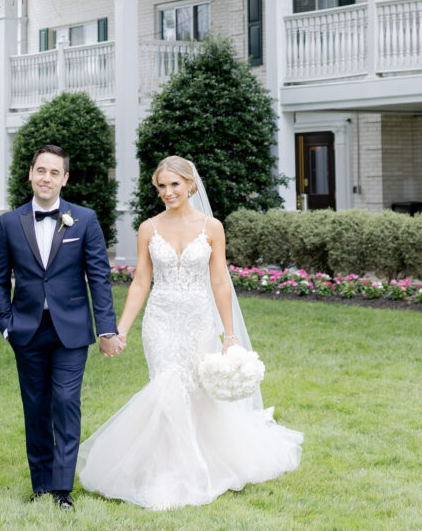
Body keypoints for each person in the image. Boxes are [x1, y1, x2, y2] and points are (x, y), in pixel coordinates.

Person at [78, 155, 303, 510]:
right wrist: (119, 329)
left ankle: (200, 464)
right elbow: (140, 282)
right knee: (166, 385)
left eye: (174, 185)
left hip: (198, 318)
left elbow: (219, 281)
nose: (168, 192)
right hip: (161, 319)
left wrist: (229, 334)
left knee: (196, 391)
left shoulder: (211, 227)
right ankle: (167, 471)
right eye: (162, 186)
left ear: (191, 185)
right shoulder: (148, 229)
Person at [0, 144, 123, 510]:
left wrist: (106, 329)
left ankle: (62, 489)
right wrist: (6, 324)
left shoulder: (85, 219)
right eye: (41, 170)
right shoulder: (9, 223)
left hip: (72, 330)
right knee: (36, 407)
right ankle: (41, 485)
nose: (46, 178)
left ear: (65, 179)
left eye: (54, 172)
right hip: (27, 330)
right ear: (30, 174)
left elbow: (99, 277)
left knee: (65, 401)